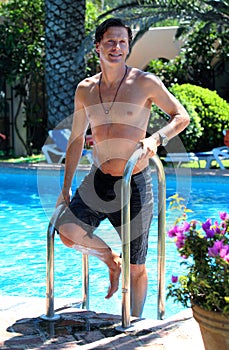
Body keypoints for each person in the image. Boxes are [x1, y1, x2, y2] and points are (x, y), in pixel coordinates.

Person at [56, 18, 190, 317]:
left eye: (122, 42)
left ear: (128, 47)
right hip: (99, 180)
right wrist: (64, 188)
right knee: (66, 232)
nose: (116, 47)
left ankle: (131, 327)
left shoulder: (145, 82)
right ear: (97, 47)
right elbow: (77, 139)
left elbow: (181, 116)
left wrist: (156, 138)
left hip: (135, 182)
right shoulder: (85, 89)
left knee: (138, 266)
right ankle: (110, 259)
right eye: (110, 42)